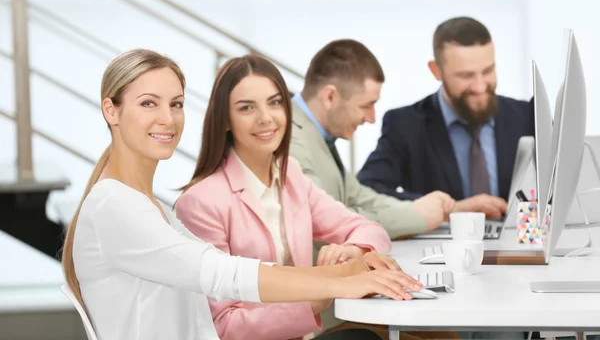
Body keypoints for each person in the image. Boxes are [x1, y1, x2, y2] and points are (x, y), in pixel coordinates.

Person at [60, 49, 423, 340]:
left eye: (177, 103)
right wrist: (338, 283)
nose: (168, 119)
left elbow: (224, 274)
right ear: (112, 111)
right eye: (148, 103)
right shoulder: (115, 207)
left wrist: (353, 270)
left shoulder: (150, 207)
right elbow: (222, 274)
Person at [175, 54, 394, 339]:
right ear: (225, 121)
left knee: (434, 334)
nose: (266, 118)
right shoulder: (201, 203)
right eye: (246, 108)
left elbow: (370, 230)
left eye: (275, 102)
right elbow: (222, 327)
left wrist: (353, 250)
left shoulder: (291, 177)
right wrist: (321, 294)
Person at [290, 38, 500, 240]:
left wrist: (448, 209)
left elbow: (361, 197)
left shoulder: (317, 135)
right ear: (330, 97)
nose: (371, 118)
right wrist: (417, 217)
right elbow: (328, 223)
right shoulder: (292, 143)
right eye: (365, 106)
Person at [358, 17, 534, 217]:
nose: (479, 86)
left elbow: (558, 189)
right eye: (466, 76)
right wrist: (450, 209)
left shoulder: (526, 115)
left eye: (488, 71)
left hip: (519, 243)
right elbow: (367, 192)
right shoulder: (406, 125)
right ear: (436, 71)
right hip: (441, 246)